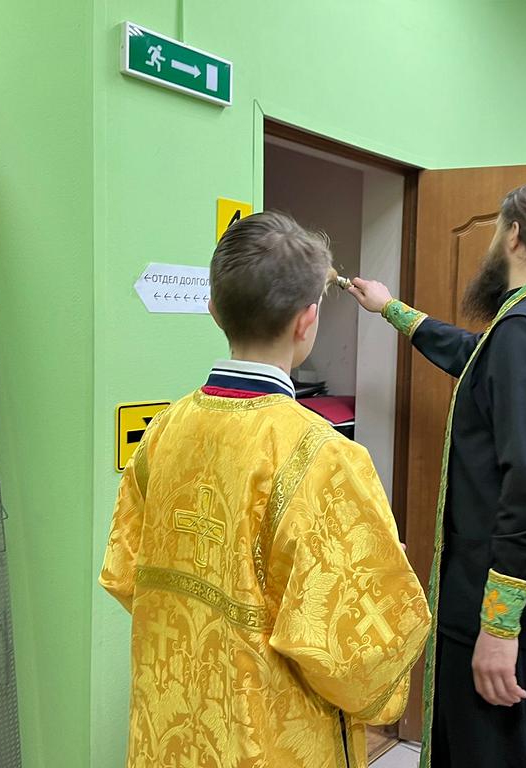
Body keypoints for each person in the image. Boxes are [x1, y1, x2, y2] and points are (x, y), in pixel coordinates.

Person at [99, 211, 430, 768]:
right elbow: (355, 652)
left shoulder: (163, 431)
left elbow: (124, 571)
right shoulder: (324, 456)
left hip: (169, 718)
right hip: (269, 735)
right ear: (307, 320)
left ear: (213, 310)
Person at [348, 181, 526, 768]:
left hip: (523, 623)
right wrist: (390, 309)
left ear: (513, 234)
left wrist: (499, 628)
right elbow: (479, 359)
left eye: (495, 230)